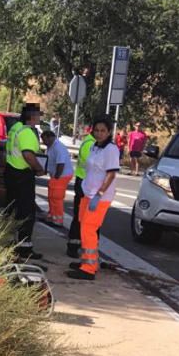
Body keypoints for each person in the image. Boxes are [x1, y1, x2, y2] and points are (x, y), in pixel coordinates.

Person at [67, 115, 120, 281]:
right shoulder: (95, 147)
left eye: (103, 130)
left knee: (89, 230)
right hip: (87, 193)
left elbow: (111, 174)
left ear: (109, 131)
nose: (99, 133)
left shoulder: (111, 149)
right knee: (84, 227)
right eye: (96, 130)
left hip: (99, 196)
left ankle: (88, 269)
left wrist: (100, 194)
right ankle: (88, 261)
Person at [4, 103, 46, 258]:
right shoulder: (27, 132)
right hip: (23, 175)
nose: (39, 118)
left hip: (11, 172)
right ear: (32, 116)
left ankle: (11, 242)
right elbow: (28, 155)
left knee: (13, 210)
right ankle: (25, 248)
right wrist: (39, 168)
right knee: (27, 212)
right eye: (38, 115)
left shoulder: (15, 128)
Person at [66, 130, 95, 258]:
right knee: (82, 217)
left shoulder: (89, 142)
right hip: (85, 183)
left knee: (80, 217)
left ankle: (76, 245)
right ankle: (75, 247)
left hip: (84, 182)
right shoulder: (91, 144)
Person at [41, 130, 71, 228]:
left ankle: (58, 220)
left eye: (44, 140)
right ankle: (51, 217)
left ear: (50, 137)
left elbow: (60, 164)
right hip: (57, 175)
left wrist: (56, 177)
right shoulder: (51, 146)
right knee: (51, 197)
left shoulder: (58, 147)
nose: (43, 142)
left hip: (61, 176)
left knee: (56, 198)